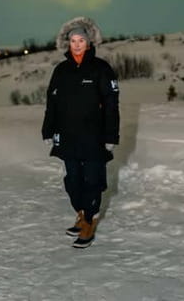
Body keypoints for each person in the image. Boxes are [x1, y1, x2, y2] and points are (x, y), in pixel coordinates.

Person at [41, 17, 120, 249]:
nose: (76, 44)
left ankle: (89, 221)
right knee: (72, 180)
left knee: (92, 181)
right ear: (67, 43)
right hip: (67, 137)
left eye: (81, 40)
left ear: (89, 42)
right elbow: (52, 103)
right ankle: (81, 212)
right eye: (73, 40)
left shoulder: (101, 69)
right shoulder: (61, 70)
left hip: (94, 138)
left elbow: (112, 106)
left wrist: (110, 137)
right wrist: (48, 130)